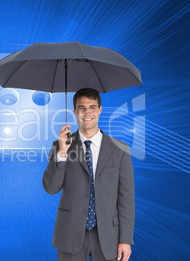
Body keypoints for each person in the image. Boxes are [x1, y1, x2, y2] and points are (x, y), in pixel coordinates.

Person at [43, 88, 135, 261]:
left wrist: (125, 239)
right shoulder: (60, 145)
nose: (87, 113)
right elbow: (50, 188)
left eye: (92, 107)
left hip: (109, 235)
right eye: (81, 108)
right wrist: (62, 153)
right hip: (69, 233)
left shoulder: (120, 150)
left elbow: (126, 199)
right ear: (75, 112)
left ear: (100, 110)